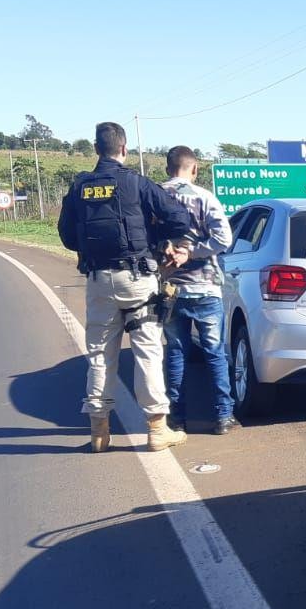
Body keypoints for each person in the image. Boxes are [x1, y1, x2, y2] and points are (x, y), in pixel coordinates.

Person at [57, 122, 193, 453]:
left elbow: (67, 236)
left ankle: (99, 432)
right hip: (137, 279)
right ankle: (157, 430)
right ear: (124, 149)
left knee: (101, 355)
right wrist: (168, 243)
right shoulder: (136, 183)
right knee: (148, 350)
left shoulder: (79, 188)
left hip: (98, 281)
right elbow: (179, 218)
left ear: (95, 149)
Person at [160, 146, 238, 435]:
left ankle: (176, 418)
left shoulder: (154, 197)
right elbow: (223, 239)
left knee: (176, 353)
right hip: (206, 287)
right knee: (215, 353)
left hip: (170, 289)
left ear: (168, 168)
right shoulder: (205, 198)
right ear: (194, 169)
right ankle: (223, 417)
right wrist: (192, 252)